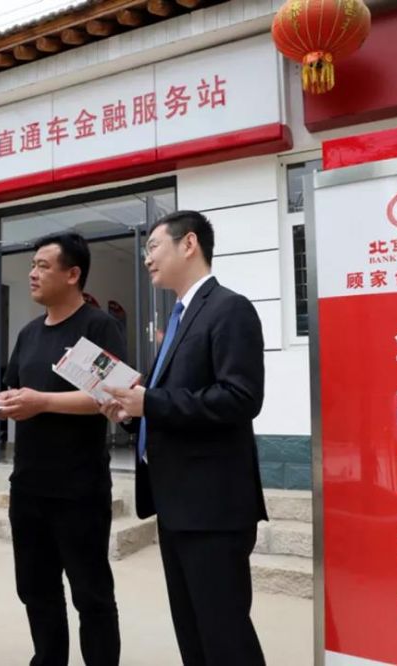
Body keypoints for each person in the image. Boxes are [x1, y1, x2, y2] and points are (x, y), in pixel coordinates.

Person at [102, 210, 268, 666]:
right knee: (193, 635)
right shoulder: (179, 316)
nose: (147, 259)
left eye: (153, 246)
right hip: (177, 504)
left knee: (224, 637)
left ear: (189, 244)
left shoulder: (229, 308)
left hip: (213, 508)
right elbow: (171, 403)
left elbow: (240, 397)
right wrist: (131, 415)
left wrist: (151, 403)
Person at [0, 232, 124, 666]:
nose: (33, 273)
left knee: (91, 594)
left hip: (79, 488)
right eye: (32, 265)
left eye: (43, 266)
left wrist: (42, 402)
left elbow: (112, 397)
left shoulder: (97, 326)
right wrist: (3, 403)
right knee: (36, 589)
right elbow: (17, 389)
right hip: (29, 485)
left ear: (73, 274)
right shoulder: (29, 333)